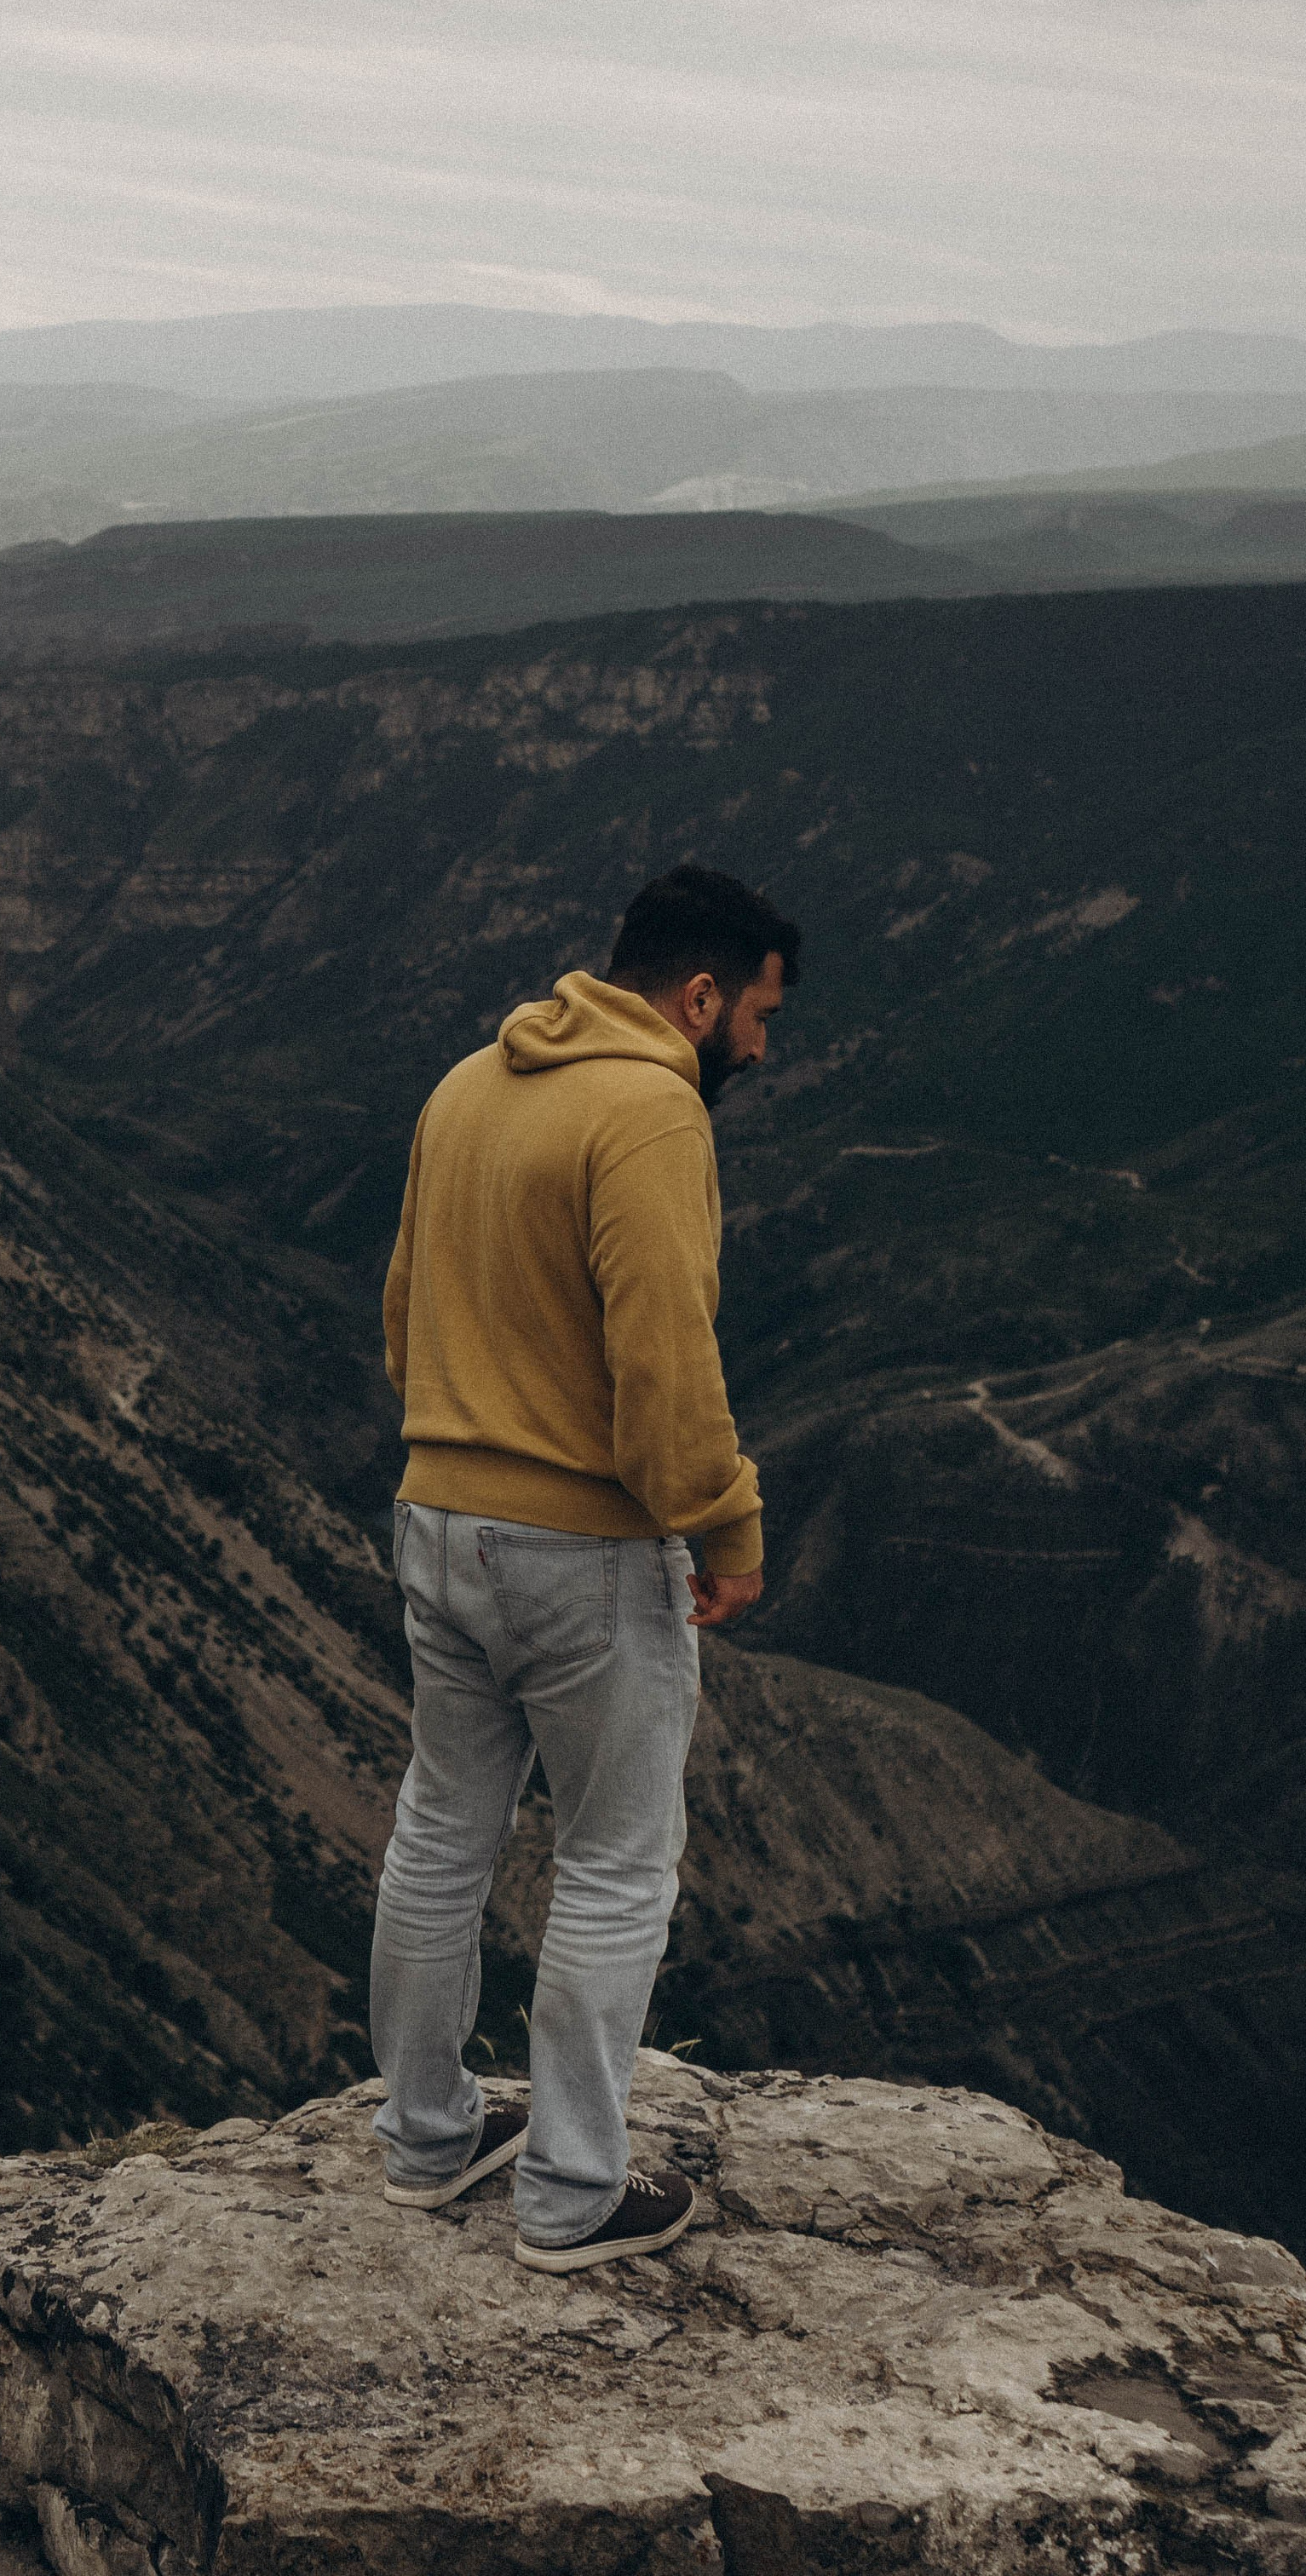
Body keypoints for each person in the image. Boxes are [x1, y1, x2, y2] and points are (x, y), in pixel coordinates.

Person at [369, 862, 800, 2272]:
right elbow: (668, 1368)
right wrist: (725, 1529)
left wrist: (466, 1443)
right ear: (696, 994)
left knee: (443, 1828)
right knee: (616, 1863)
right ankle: (572, 2193)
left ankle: (428, 2141)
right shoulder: (650, 1110)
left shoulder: (463, 1089)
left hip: (436, 1517)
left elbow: (399, 1317)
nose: (757, 1043)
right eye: (755, 1013)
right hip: (585, 1551)